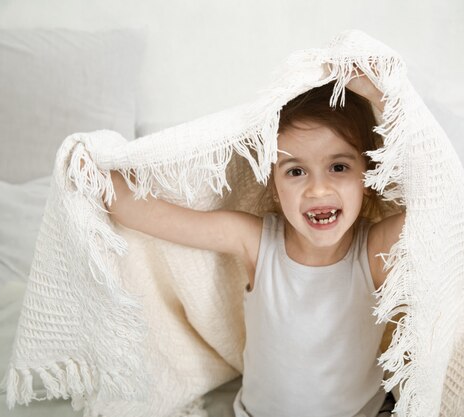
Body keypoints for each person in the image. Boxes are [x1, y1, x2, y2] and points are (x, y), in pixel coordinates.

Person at [107, 69, 405, 417]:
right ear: (273, 184)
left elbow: (442, 196)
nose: (318, 189)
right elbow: (143, 212)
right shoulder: (257, 241)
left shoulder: (373, 251)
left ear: (368, 175)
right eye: (295, 171)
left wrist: (378, 94)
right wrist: (91, 167)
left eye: (338, 167)